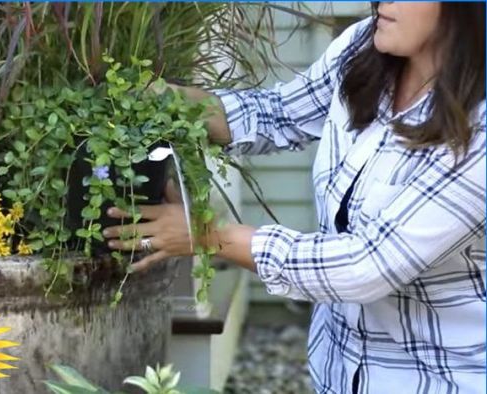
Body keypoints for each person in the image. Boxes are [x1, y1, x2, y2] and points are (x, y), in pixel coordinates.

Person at [102, 3, 486, 394]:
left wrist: (208, 236)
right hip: (338, 372)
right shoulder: (364, 47)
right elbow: (279, 114)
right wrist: (162, 100)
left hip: (441, 379)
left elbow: (365, 266)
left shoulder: (480, 132)